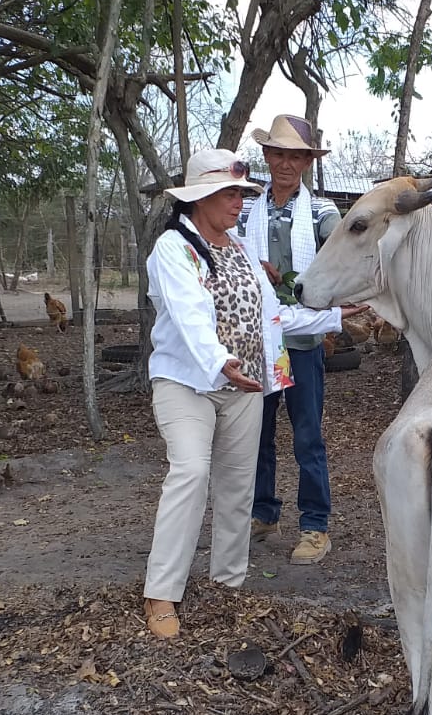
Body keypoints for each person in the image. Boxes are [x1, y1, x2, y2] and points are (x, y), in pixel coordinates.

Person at [141, 147, 346, 638]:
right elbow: (190, 314)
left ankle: (226, 586)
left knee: (238, 489)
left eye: (241, 193)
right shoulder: (173, 248)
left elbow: (272, 315)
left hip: (246, 385)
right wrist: (221, 362)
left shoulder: (240, 251)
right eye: (230, 193)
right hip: (188, 383)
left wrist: (337, 316)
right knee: (190, 472)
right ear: (201, 198)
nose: (239, 202)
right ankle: (161, 593)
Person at [236, 114, 343, 565]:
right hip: (259, 339)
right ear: (266, 156)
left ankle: (316, 525)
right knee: (256, 432)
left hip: (301, 341)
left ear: (306, 162)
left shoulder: (321, 212)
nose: (284, 163)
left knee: (306, 435)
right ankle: (264, 513)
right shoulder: (246, 210)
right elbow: (231, 260)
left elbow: (338, 264)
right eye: (277, 153)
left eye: (294, 155)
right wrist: (254, 268)